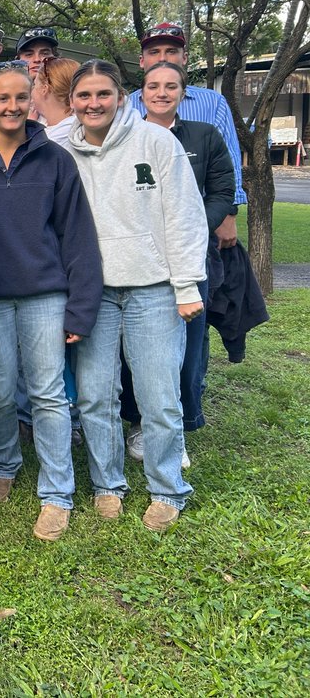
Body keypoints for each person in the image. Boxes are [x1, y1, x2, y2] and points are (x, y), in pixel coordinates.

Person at [0, 62, 102, 541]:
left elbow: (77, 236)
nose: (12, 107)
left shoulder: (55, 160)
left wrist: (80, 307)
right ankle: (2, 463)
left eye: (20, 98)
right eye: (2, 98)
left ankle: (57, 492)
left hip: (44, 296)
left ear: (30, 102)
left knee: (48, 394)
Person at [64, 60, 206, 532]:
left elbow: (185, 217)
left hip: (155, 290)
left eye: (103, 94)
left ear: (121, 98)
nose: (93, 103)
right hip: (92, 294)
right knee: (95, 395)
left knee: (159, 396)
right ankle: (108, 485)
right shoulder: (60, 148)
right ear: (72, 102)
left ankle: (167, 489)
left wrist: (186, 285)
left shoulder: (157, 142)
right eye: (84, 96)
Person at [123, 61, 236, 463]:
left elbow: (222, 192)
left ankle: (179, 427)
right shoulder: (127, 138)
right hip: (142, 260)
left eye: (171, 86)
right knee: (137, 352)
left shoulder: (204, 137)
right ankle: (138, 424)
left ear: (182, 93)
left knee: (186, 350)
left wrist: (187, 226)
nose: (161, 93)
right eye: (153, 86)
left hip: (190, 259)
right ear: (142, 93)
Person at [127, 22, 246, 246]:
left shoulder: (212, 102)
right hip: (143, 229)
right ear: (142, 60)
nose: (163, 58)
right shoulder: (126, 106)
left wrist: (228, 214)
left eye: (172, 51)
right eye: (154, 52)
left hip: (200, 221)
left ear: (184, 58)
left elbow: (229, 161)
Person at [32, 56, 80, 142]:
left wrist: (29, 126)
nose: (32, 90)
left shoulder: (67, 132)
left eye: (34, 85)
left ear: (44, 89)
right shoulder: (44, 122)